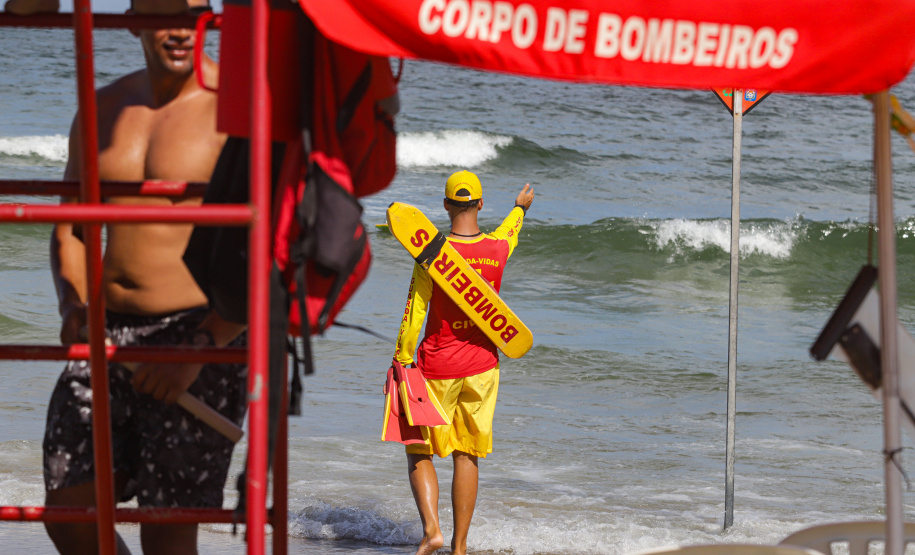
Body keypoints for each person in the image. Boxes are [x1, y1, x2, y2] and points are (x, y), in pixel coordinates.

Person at [43, 1, 247, 553]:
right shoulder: (103, 107)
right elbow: (71, 229)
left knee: (167, 536)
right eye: (161, 12)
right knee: (68, 514)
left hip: (201, 335)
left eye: (193, 12)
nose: (179, 29)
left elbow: (266, 246)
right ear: (132, 19)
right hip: (105, 336)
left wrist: (203, 346)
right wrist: (73, 307)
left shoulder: (238, 111)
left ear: (210, 18)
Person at [393, 170, 534, 555]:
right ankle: (460, 547)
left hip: (437, 366)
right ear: (480, 204)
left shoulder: (432, 256)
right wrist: (520, 208)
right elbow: (510, 232)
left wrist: (402, 358)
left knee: (419, 448)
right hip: (483, 368)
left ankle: (432, 530)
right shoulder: (497, 249)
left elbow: (414, 312)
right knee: (466, 454)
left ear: (445, 205)